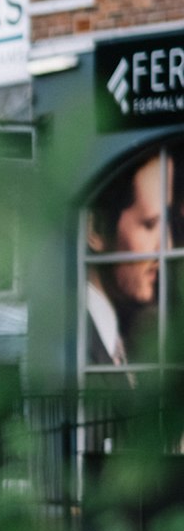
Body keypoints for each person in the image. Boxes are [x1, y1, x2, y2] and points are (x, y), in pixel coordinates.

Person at [85, 152, 171, 374]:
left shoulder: (122, 337)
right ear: (96, 229)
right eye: (150, 224)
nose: (167, 246)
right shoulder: (74, 337)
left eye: (168, 222)